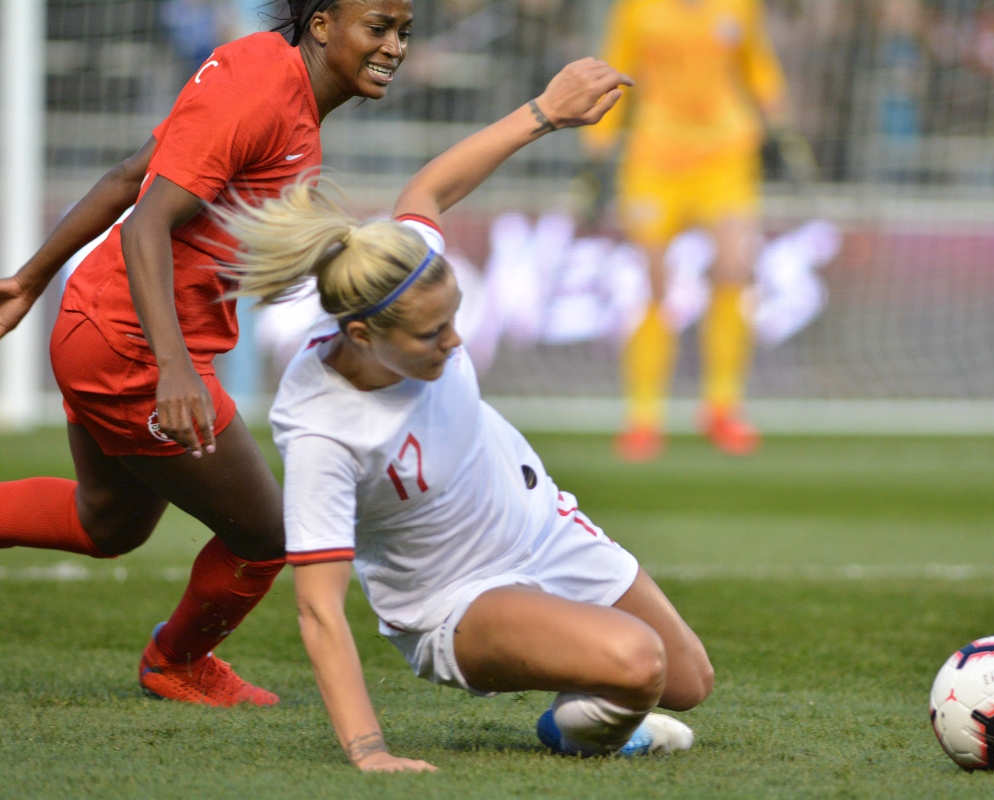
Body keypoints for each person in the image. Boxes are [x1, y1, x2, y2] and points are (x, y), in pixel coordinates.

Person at [216, 61, 714, 772]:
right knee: (638, 663)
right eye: (431, 335)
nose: (455, 344)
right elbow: (318, 609)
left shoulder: (405, 270)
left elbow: (427, 190)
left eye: (455, 320)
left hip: (544, 527)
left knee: (688, 679)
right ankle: (578, 723)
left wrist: (543, 111)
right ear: (362, 335)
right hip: (455, 600)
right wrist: (370, 753)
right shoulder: (324, 429)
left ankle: (585, 694)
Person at [0, 0, 418, 706]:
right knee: (264, 534)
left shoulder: (271, 84)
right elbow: (146, 224)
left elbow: (133, 175)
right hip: (131, 349)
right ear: (322, 26)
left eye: (405, 31)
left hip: (100, 328)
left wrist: (31, 279)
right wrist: (171, 369)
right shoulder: (258, 89)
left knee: (107, 524)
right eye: (378, 27)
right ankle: (175, 663)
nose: (396, 47)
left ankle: (176, 660)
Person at [579, 0, 792, 462]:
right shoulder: (637, 9)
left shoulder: (739, 6)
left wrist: (779, 127)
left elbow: (758, 63)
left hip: (727, 151)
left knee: (736, 266)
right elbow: (615, 69)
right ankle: (644, 417)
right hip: (656, 156)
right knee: (656, 284)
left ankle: (722, 405)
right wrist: (597, 150)